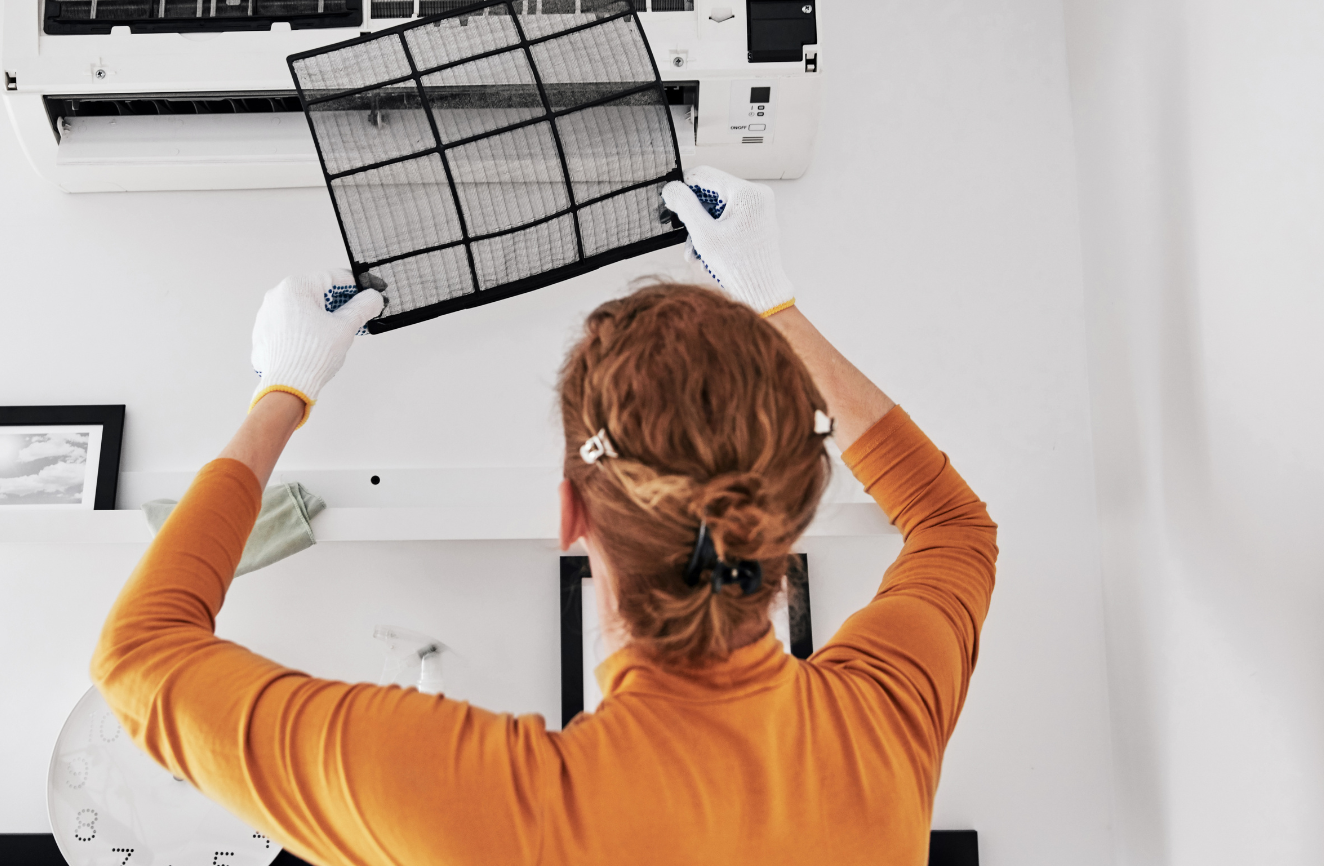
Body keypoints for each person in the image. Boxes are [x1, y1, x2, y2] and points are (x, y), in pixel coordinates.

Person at [92, 167, 998, 864]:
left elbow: (137, 659)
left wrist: (284, 388)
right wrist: (774, 302)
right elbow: (950, 524)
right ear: (787, 511)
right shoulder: (885, 721)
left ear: (570, 516)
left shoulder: (486, 807)